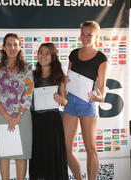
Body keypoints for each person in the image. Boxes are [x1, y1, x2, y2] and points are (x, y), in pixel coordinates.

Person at [62, 20, 108, 180]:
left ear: (95, 36)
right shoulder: (74, 53)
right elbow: (67, 77)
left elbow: (102, 91)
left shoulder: (101, 58)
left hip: (88, 104)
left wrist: (98, 97)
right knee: (65, 148)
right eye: (83, 34)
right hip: (70, 103)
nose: (85, 37)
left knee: (91, 148)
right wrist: (65, 81)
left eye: (89, 34)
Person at [0, 33, 33, 180]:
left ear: (20, 47)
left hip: (22, 117)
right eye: (9, 44)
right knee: (4, 155)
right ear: (3, 47)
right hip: (1, 116)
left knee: (21, 156)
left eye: (15, 44)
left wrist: (17, 117)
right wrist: (8, 117)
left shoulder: (27, 69)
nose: (12, 47)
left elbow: (28, 94)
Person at [29, 43, 69, 180]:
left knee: (53, 160)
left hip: (52, 123)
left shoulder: (59, 76)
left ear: (53, 56)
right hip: (36, 122)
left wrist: (60, 99)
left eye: (47, 53)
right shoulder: (32, 75)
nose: (43, 56)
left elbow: (65, 101)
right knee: (38, 158)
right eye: (40, 52)